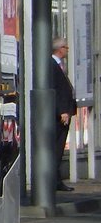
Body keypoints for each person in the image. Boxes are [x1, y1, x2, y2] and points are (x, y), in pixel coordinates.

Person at [51, 37, 77, 192]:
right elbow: (56, 89)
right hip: (59, 115)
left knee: (59, 149)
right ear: (60, 49)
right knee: (55, 148)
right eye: (66, 47)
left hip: (65, 113)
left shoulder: (59, 65)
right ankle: (54, 181)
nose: (67, 50)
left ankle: (57, 180)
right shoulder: (52, 65)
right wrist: (62, 111)